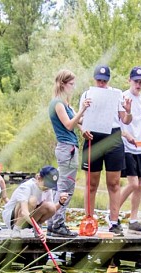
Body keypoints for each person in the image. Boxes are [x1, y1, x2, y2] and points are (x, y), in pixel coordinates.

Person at [79, 65, 132, 236]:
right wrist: (83, 128)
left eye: (104, 80)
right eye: (99, 80)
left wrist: (129, 111)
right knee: (91, 183)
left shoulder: (116, 94)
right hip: (93, 137)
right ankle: (89, 218)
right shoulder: (87, 94)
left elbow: (126, 119)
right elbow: (79, 119)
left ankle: (114, 221)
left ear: (108, 80)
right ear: (94, 79)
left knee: (114, 182)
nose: (101, 83)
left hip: (113, 137)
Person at [47, 69, 91, 238]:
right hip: (67, 149)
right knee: (66, 187)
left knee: (62, 186)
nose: (73, 87)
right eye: (71, 84)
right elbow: (68, 125)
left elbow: (78, 121)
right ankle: (57, 224)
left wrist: (85, 120)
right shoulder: (58, 104)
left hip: (68, 148)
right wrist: (82, 109)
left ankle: (53, 222)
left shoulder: (64, 104)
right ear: (63, 84)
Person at [119, 66, 141, 235]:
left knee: (139, 185)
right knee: (132, 183)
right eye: (136, 81)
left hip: (140, 147)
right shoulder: (123, 97)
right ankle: (113, 213)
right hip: (126, 145)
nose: (138, 84)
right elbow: (119, 123)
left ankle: (133, 220)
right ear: (130, 80)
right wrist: (125, 136)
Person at [2, 166, 67, 240]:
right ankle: (16, 229)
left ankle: (36, 229)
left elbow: (51, 209)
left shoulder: (47, 189)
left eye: (50, 186)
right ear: (39, 178)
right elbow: (24, 212)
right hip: (12, 218)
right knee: (33, 200)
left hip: (29, 220)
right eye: (46, 185)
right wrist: (39, 228)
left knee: (50, 206)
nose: (47, 188)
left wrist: (60, 203)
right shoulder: (26, 187)